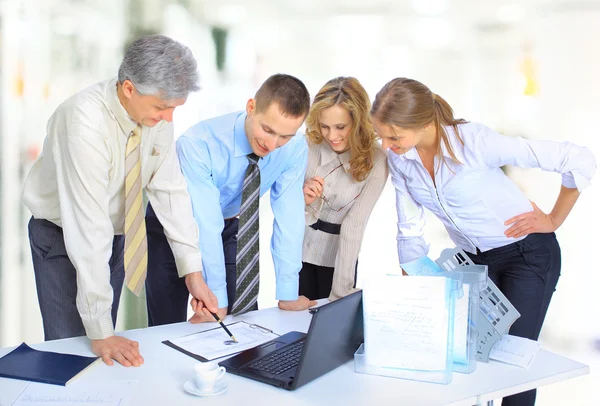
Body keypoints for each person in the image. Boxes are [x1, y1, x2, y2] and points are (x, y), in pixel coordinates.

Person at [371, 77, 596, 406]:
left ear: (422, 123)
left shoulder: (474, 142)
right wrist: (415, 293)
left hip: (526, 255)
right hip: (475, 263)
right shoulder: (401, 159)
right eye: (382, 136)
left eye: (394, 136)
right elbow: (409, 228)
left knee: (512, 364)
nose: (387, 145)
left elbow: (577, 159)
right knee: (475, 360)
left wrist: (554, 219)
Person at [22, 35, 218, 368]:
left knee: (104, 353)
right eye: (161, 107)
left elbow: (170, 190)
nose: (169, 118)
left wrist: (192, 270)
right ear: (129, 88)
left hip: (116, 233)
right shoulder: (83, 121)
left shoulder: (155, 118)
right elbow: (87, 226)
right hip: (61, 235)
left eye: (174, 107)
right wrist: (100, 332)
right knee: (74, 350)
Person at [145, 73, 317, 325]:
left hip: (228, 225)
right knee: (167, 324)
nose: (272, 143)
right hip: (170, 229)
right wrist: (217, 302)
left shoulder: (295, 148)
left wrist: (288, 293)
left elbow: (289, 217)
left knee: (241, 319)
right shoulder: (198, 144)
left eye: (285, 136)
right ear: (251, 108)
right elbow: (205, 221)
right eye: (267, 130)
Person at [301, 77, 388, 300]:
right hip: (297, 255)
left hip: (341, 261)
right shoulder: (307, 145)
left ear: (358, 122)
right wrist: (301, 199)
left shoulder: (376, 160)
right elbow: (284, 207)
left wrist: (341, 292)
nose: (331, 136)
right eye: (324, 126)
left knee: (331, 324)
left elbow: (354, 225)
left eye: (341, 127)